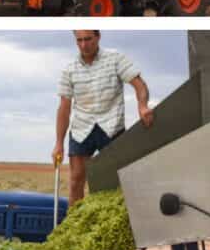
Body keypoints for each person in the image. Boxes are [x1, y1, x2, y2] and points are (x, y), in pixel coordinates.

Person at [53, 30, 154, 204]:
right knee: (76, 179)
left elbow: (139, 85)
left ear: (98, 37)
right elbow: (64, 107)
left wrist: (142, 105)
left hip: (111, 126)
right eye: (79, 41)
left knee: (117, 180)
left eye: (88, 39)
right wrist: (59, 143)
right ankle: (75, 224)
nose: (84, 45)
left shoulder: (115, 59)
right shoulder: (69, 70)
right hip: (81, 128)